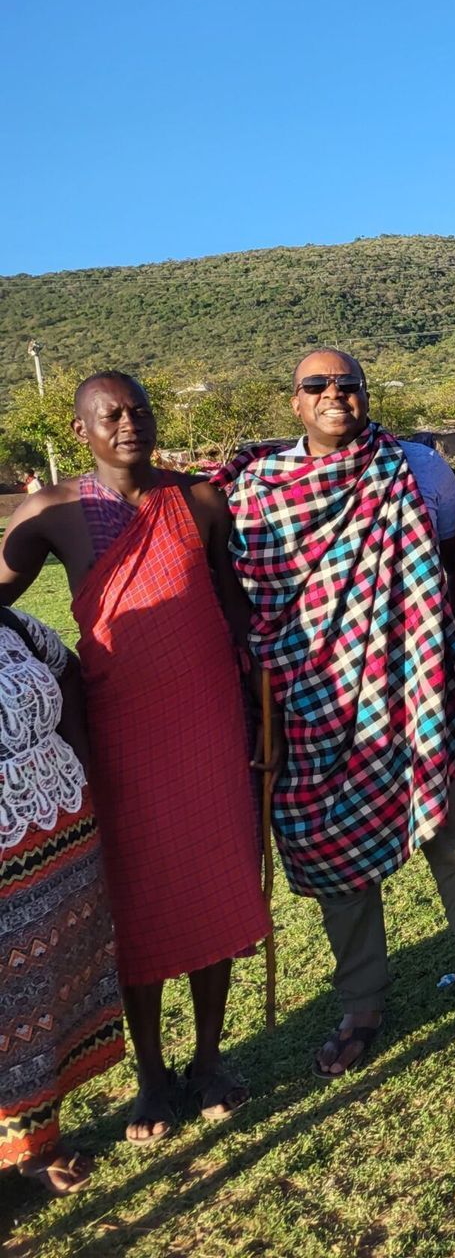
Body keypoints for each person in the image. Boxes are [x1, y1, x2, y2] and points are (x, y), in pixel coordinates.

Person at [225, 349, 455, 1071]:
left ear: (366, 396)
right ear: (295, 403)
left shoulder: (417, 468)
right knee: (340, 872)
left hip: (417, 695)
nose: (336, 395)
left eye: (349, 385)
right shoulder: (258, 489)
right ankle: (361, 1005)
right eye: (319, 386)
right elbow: (248, 599)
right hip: (315, 704)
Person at [0, 372, 268, 1141]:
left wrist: (255, 655)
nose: (129, 424)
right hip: (117, 735)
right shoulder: (50, 512)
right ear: (81, 431)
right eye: (109, 415)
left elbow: (230, 598)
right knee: (140, 903)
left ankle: (210, 1060)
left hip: (208, 723)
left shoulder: (201, 501)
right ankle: (152, 1076)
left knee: (214, 885)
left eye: (139, 411)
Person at [0, 607, 123, 1195]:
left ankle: (35, 1146)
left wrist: (78, 759)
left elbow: (67, 672)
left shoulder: (13, 626)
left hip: (59, 844)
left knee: (39, 1003)